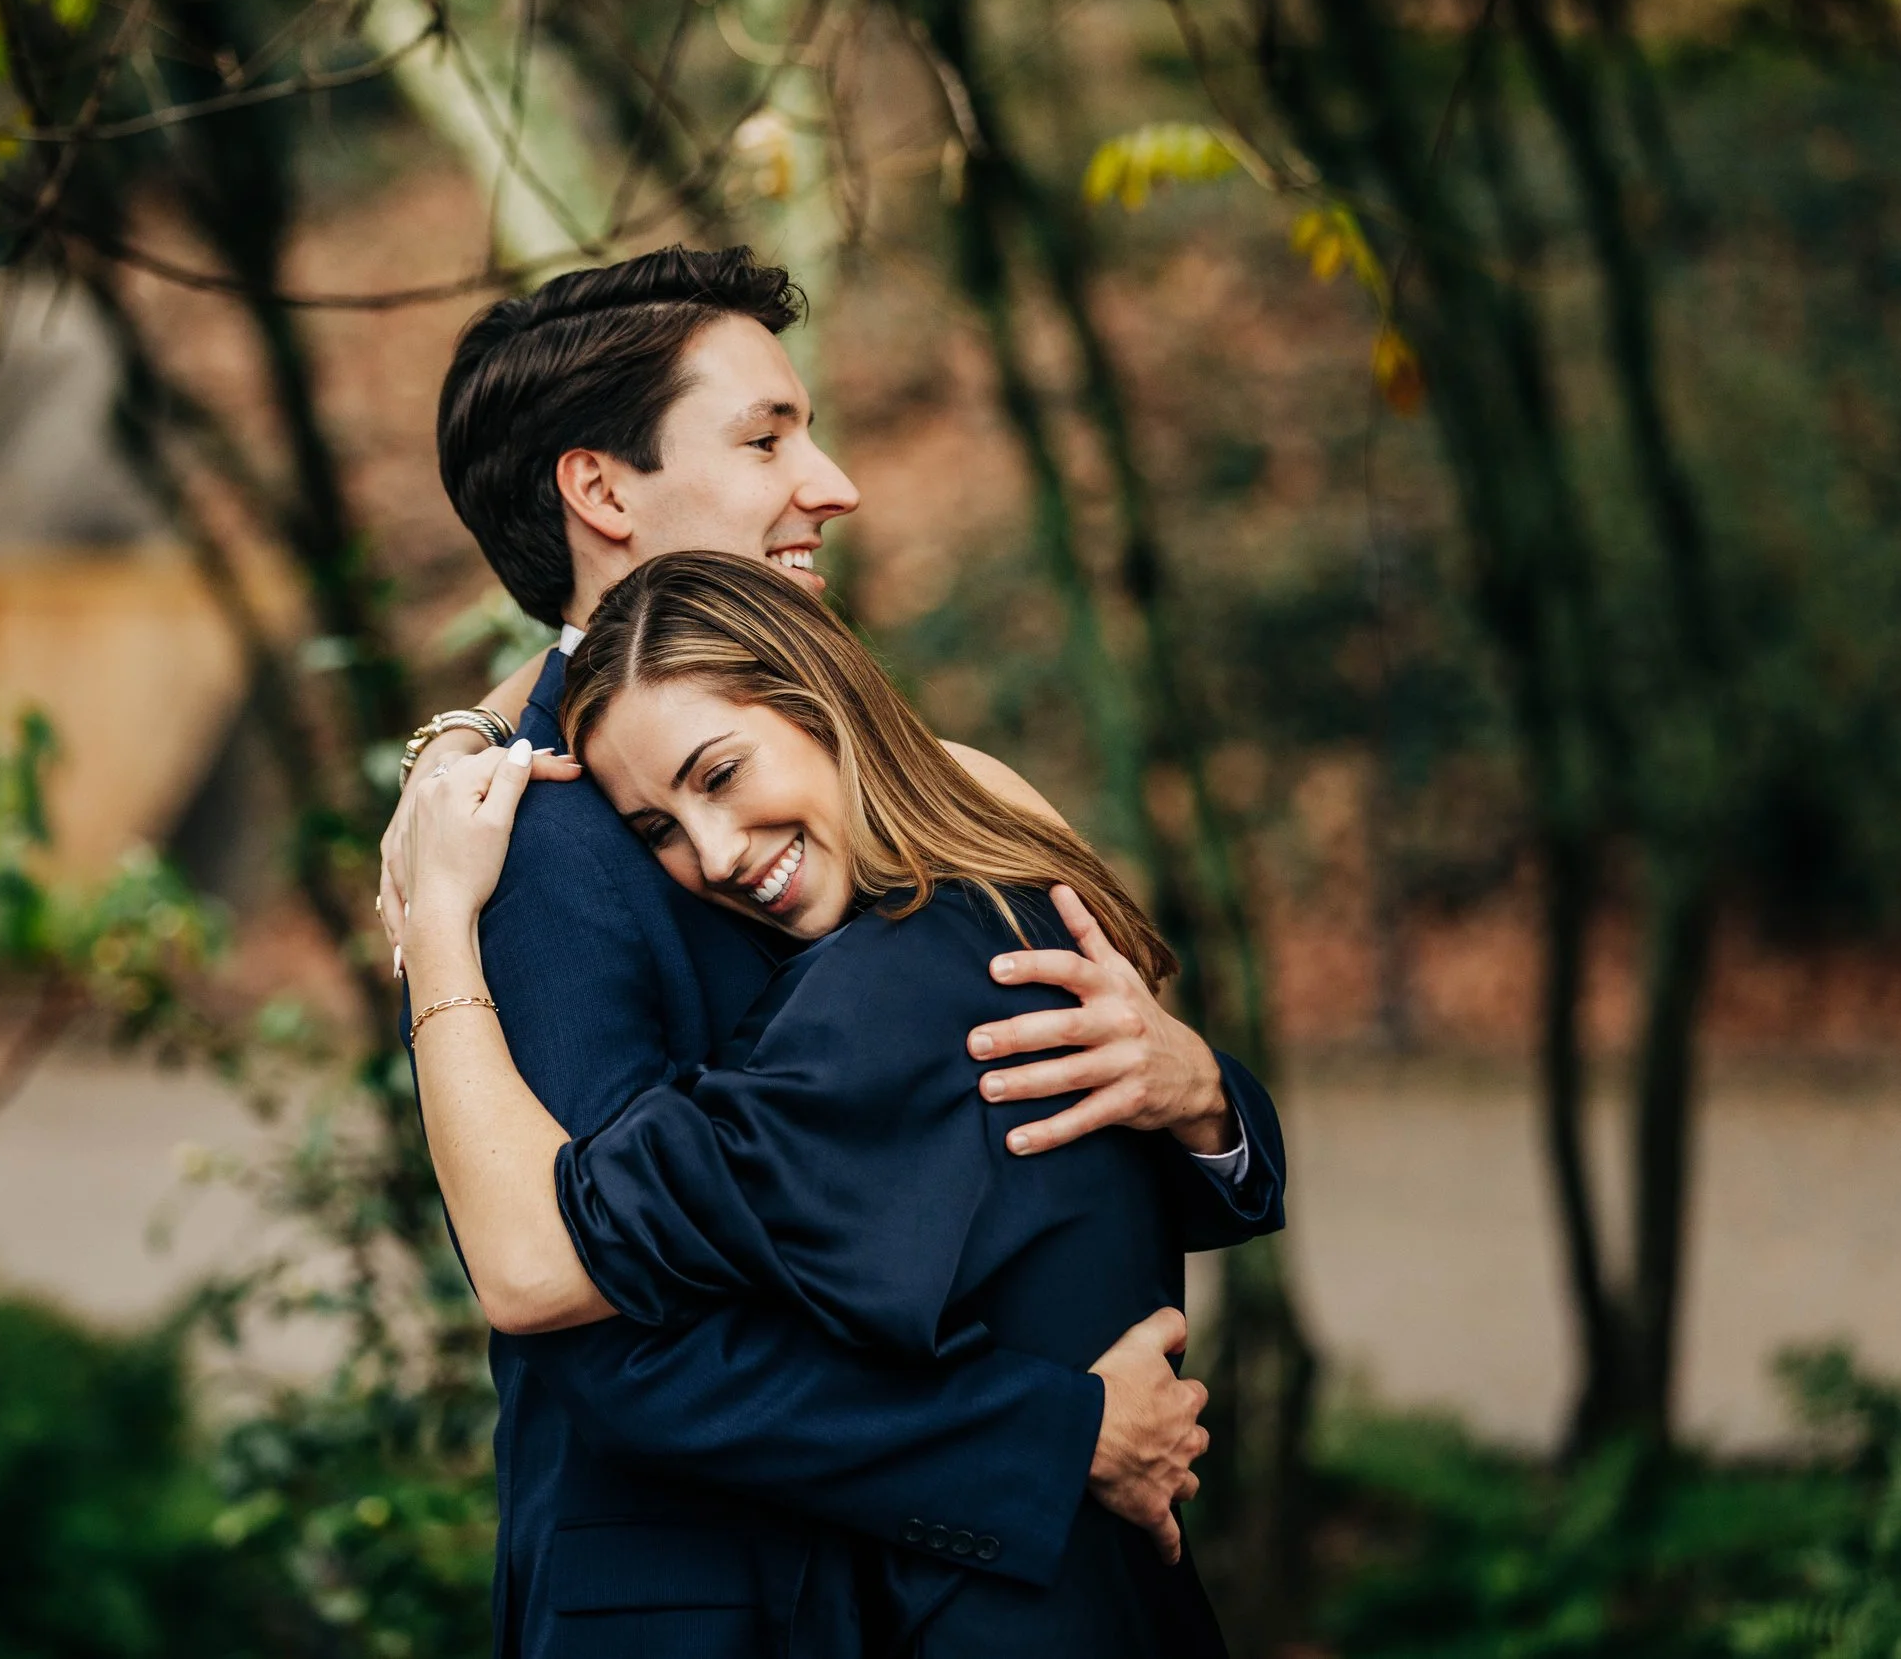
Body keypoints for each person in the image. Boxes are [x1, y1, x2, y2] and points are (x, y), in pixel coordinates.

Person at [380, 245, 1286, 1656]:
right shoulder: (538, 839)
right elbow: (600, 1322)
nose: (835, 481)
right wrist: (1055, 1437)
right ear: (602, 490)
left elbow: (1024, 1165)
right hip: (700, 1607)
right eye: (767, 437)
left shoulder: (882, 787)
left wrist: (1201, 1095)